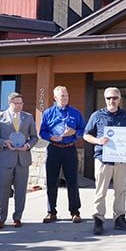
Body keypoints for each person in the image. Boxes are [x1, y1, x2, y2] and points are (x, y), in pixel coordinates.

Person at [83, 87, 126, 235]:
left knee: (121, 190)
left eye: (115, 98)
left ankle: (119, 218)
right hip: (102, 159)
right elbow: (86, 135)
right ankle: (98, 219)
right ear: (105, 99)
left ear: (119, 99)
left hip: (121, 159)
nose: (112, 101)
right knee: (101, 191)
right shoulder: (97, 115)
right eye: (109, 98)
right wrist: (98, 141)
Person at [0, 92, 38, 229]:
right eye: (17, 103)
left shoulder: (28, 118)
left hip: (23, 159)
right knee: (3, 190)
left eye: (21, 103)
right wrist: (5, 142)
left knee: (20, 191)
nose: (20, 106)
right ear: (10, 103)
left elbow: (34, 137)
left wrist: (27, 146)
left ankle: (17, 217)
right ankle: (1, 218)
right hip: (5, 159)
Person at [39, 86, 85, 223]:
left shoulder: (75, 113)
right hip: (54, 149)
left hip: (69, 149)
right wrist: (50, 137)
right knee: (51, 181)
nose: (64, 98)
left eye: (66, 95)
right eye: (61, 96)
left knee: (72, 181)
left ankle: (75, 212)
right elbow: (42, 132)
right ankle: (51, 212)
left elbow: (84, 129)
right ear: (55, 97)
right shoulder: (48, 113)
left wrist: (74, 132)